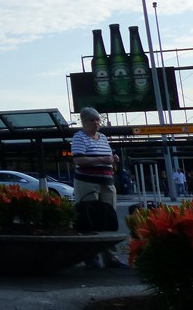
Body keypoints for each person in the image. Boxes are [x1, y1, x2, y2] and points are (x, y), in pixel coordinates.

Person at [72, 107, 127, 269]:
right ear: (84, 122)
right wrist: (104, 159)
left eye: (98, 120)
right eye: (92, 120)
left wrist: (112, 160)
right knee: (89, 218)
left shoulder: (103, 137)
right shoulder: (79, 137)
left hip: (107, 182)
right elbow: (79, 161)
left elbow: (108, 159)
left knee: (108, 219)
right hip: (87, 182)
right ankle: (91, 257)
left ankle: (111, 258)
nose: (96, 123)